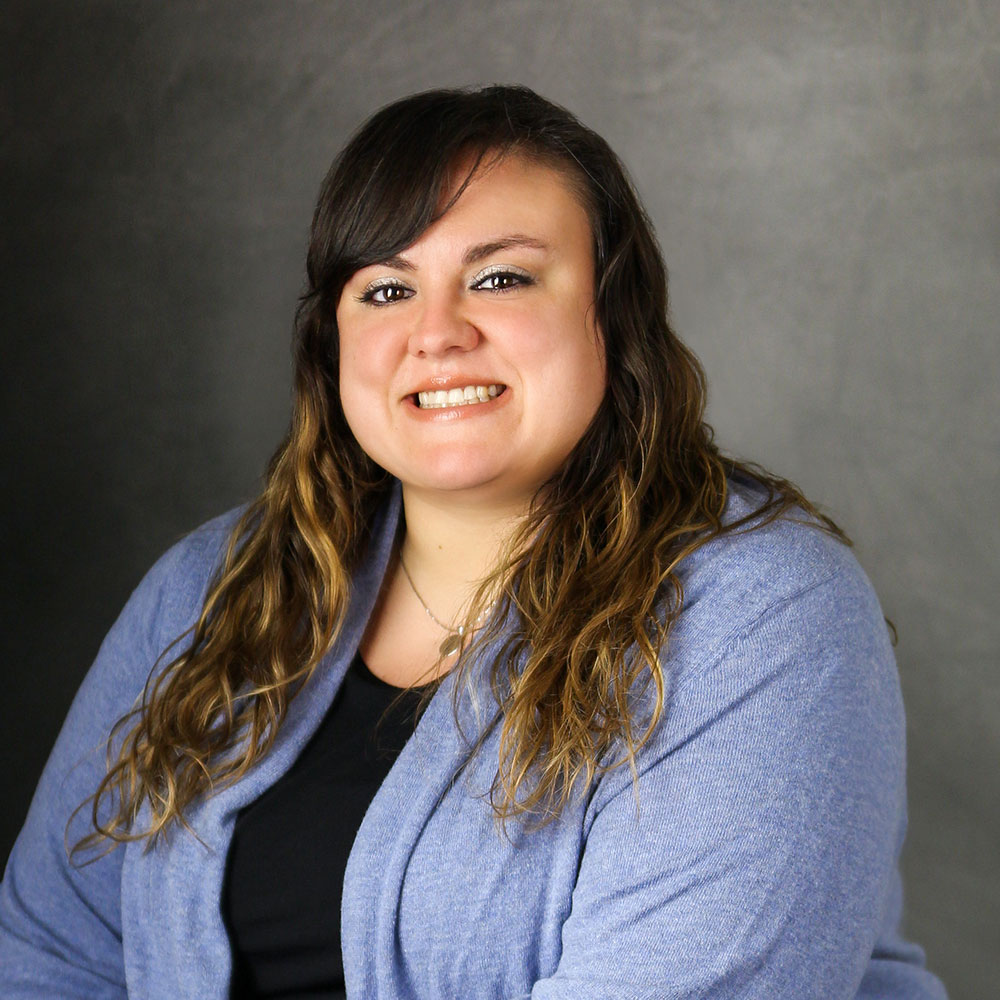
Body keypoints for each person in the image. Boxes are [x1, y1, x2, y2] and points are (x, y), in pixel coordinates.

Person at [0, 85, 948, 1000]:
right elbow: (49, 954)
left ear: (613, 317)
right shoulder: (213, 589)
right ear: (332, 345)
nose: (436, 333)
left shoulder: (764, 614)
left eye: (500, 278)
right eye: (385, 289)